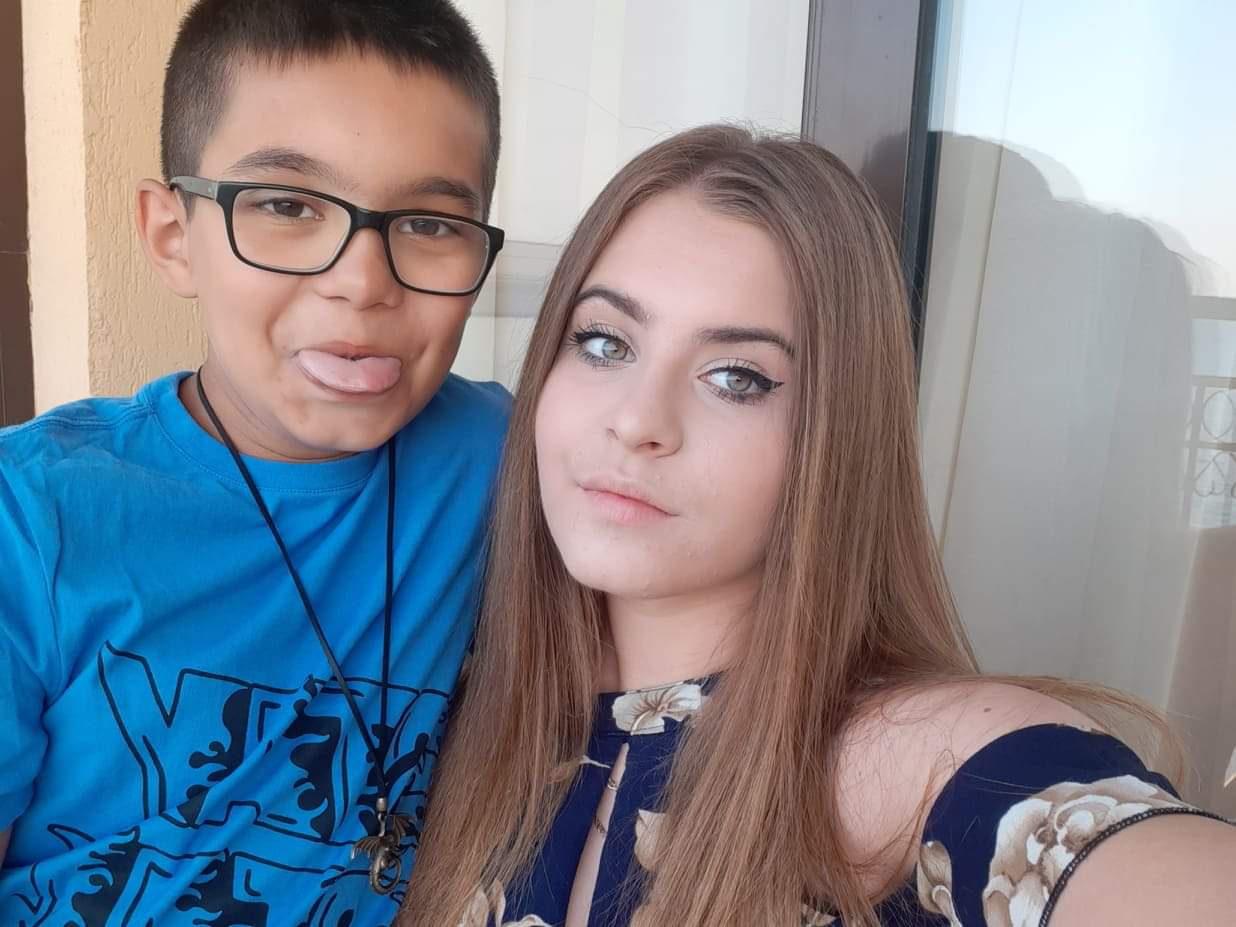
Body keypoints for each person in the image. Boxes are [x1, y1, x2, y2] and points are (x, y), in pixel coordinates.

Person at [401, 125, 1236, 926]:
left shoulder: (913, 759)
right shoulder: (446, 709)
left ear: (836, 438)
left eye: (736, 376)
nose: (637, 420)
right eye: (604, 342)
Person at [0, 1, 508, 923]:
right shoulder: (29, 518)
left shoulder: (504, 458)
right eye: (286, 206)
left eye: (430, 224)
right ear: (171, 236)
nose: (363, 282)